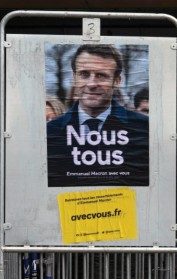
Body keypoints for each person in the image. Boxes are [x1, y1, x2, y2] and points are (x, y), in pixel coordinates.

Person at [47, 44, 149, 187]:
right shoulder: (50, 132)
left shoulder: (144, 129)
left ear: (117, 81)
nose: (92, 84)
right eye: (84, 74)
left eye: (101, 75)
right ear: (74, 77)